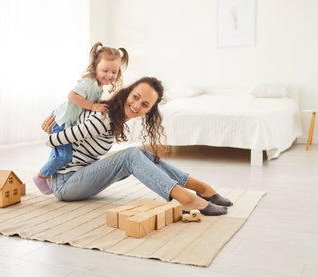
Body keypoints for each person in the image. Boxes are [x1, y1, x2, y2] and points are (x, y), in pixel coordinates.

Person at [41, 77, 232, 215]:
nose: (136, 105)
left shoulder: (113, 116)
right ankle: (187, 199)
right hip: (66, 184)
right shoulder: (104, 117)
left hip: (80, 177)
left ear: (148, 111)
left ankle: (202, 188)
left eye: (145, 104)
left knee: (140, 154)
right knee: (131, 155)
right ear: (128, 92)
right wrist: (54, 129)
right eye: (136, 97)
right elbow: (52, 140)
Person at [33, 42, 129, 194]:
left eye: (114, 72)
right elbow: (71, 96)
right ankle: (40, 176)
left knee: (58, 153)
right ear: (95, 67)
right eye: (105, 70)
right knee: (64, 156)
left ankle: (51, 177)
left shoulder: (98, 86)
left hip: (66, 121)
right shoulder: (89, 82)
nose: (110, 75)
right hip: (62, 122)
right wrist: (92, 106)